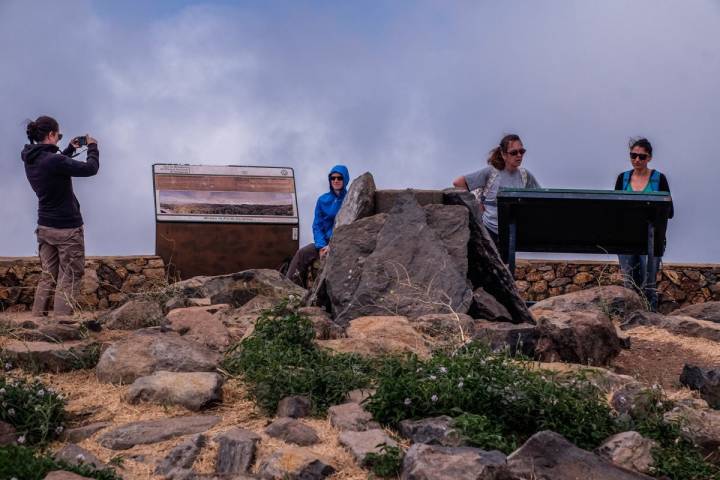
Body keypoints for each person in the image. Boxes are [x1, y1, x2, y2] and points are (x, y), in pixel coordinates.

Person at [22, 115, 99, 317]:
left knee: (48, 276)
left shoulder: (31, 159)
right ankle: (61, 323)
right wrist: (92, 147)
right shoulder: (54, 160)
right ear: (51, 134)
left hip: (44, 227)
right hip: (66, 229)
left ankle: (37, 319)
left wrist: (70, 150)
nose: (59, 139)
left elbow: (55, 165)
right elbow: (91, 169)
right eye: (58, 135)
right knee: (71, 274)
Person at [614, 137, 673, 310]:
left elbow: (669, 211)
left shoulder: (658, 179)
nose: (637, 160)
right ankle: (630, 318)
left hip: (651, 238)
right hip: (625, 239)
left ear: (649, 158)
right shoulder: (623, 179)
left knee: (649, 284)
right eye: (633, 156)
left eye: (642, 157)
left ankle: (651, 317)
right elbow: (614, 208)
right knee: (628, 283)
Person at [452, 134, 541, 245]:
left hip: (513, 234)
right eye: (514, 152)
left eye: (521, 151)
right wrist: (475, 204)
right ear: (504, 155)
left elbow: (540, 197)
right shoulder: (491, 173)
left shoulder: (525, 175)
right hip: (489, 232)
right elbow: (459, 183)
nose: (519, 155)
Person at [286, 165, 349, 288]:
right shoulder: (322, 200)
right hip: (322, 243)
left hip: (339, 243)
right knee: (302, 253)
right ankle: (290, 290)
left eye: (339, 178)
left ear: (345, 179)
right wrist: (321, 246)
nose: (336, 181)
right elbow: (317, 225)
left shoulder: (350, 199)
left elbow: (348, 225)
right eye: (333, 178)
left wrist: (332, 245)